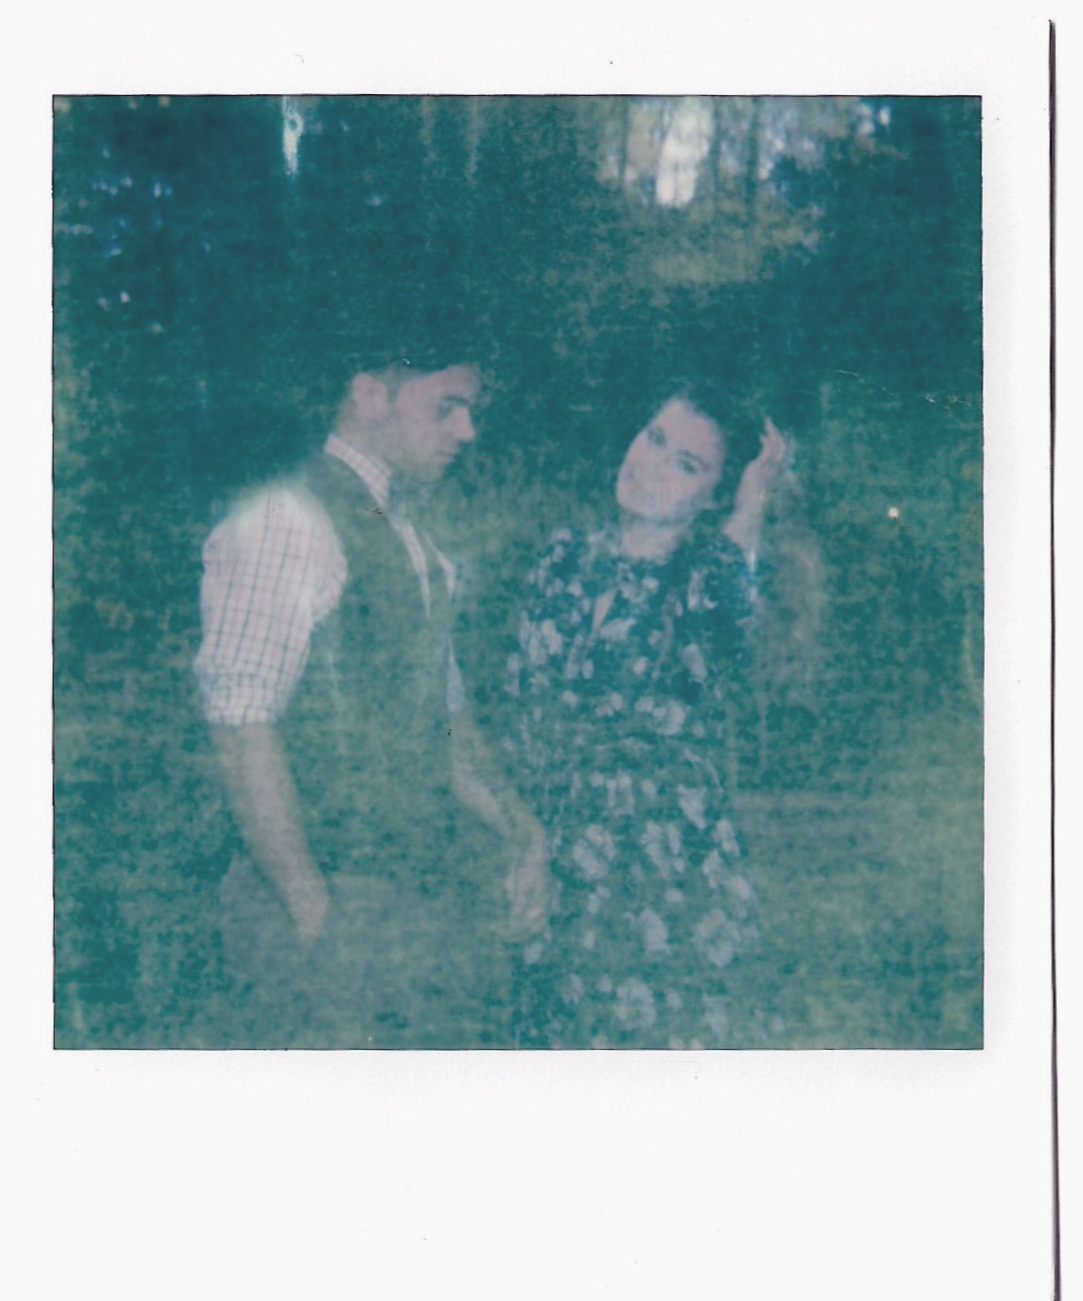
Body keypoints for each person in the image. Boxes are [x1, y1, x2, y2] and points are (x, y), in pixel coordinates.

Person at [194, 346, 550, 1048]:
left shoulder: (414, 538)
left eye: (470, 410)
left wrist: (523, 833)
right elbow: (240, 727)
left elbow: (447, 725)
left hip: (405, 905)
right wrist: (313, 913)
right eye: (445, 407)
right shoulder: (287, 520)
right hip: (316, 901)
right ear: (368, 395)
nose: (467, 431)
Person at [504, 383, 786, 1048]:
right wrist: (522, 836)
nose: (650, 465)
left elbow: (732, 606)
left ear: (711, 497)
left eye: (684, 464)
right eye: (653, 438)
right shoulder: (562, 553)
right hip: (556, 855)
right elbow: (521, 709)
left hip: (668, 876)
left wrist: (753, 498)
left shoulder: (707, 578)